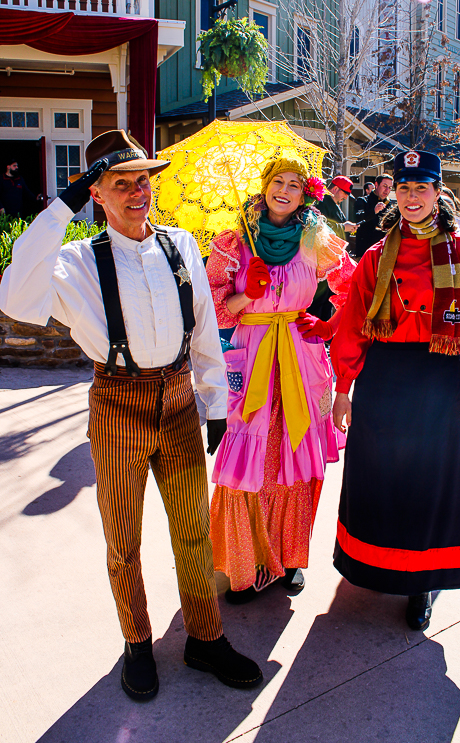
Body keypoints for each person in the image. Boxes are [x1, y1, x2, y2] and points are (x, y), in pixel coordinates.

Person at [0, 129, 262, 701]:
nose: (138, 191)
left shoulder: (180, 245)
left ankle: (204, 638)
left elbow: (204, 333)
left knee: (192, 530)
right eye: (121, 183)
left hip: (177, 399)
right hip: (117, 402)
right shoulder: (73, 263)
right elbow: (15, 299)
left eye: (143, 179)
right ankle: (137, 643)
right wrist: (59, 210)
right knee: (124, 535)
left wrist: (215, 402)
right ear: (96, 193)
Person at [331, 150, 460, 632]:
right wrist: (343, 386)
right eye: (404, 188)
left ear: (438, 193)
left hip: (439, 381)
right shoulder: (375, 255)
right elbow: (352, 323)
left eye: (422, 188)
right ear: (396, 192)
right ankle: (377, 565)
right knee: (383, 477)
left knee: (431, 484)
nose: (412, 197)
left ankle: (423, 584)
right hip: (384, 380)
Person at [206, 157, 355, 603]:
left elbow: (357, 290)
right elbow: (211, 309)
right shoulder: (234, 242)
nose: (284, 190)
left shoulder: (317, 239)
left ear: (305, 193)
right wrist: (243, 294)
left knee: (295, 462)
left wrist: (329, 324)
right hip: (250, 359)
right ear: (265, 186)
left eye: (294, 183)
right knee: (246, 466)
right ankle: (246, 562)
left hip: (302, 356)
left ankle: (290, 557)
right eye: (277, 182)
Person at [309, 175, 356, 321]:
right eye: (345, 193)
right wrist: (343, 227)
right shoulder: (322, 202)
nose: (346, 198)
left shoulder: (333, 204)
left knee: (328, 299)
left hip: (332, 261)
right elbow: (319, 227)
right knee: (319, 301)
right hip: (323, 260)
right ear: (335, 188)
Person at [354, 173, 393, 259]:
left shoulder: (389, 205)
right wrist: (374, 211)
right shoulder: (362, 201)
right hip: (365, 252)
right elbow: (357, 219)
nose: (387, 190)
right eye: (384, 186)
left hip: (383, 253)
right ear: (376, 185)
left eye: (390, 187)